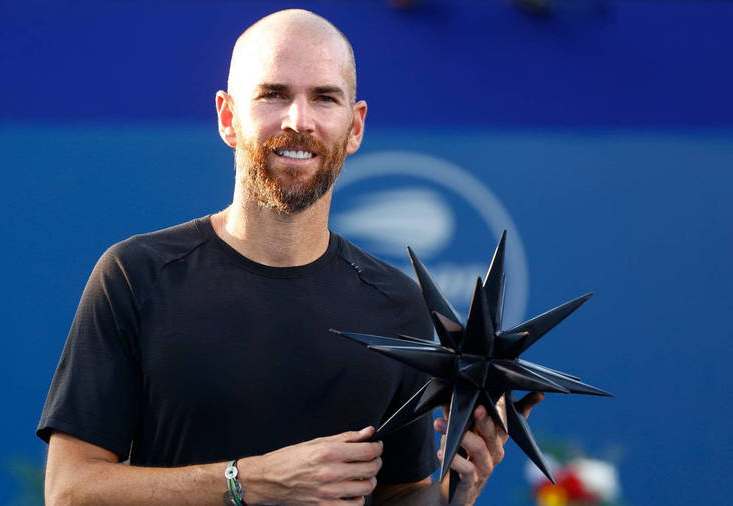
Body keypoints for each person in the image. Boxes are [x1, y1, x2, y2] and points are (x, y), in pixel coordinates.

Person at [36, 9, 542, 506]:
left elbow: (399, 495)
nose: (299, 121)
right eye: (273, 95)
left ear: (355, 126)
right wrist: (250, 481)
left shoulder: (396, 305)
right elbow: (70, 491)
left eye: (324, 98)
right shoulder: (136, 275)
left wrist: (456, 493)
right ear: (228, 117)